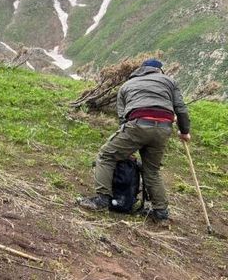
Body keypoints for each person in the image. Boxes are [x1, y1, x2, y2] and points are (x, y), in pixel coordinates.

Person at [78, 59, 191, 221]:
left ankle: (102, 199)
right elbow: (180, 108)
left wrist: (126, 150)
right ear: (159, 71)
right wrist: (185, 131)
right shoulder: (169, 81)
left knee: (106, 155)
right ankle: (161, 212)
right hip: (164, 128)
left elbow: (123, 119)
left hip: (137, 125)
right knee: (152, 170)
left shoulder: (126, 86)